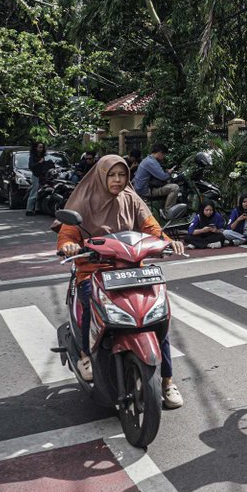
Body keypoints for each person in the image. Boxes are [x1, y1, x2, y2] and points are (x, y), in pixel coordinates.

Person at [56, 154, 186, 408]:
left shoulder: (131, 199)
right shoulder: (84, 200)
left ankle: (167, 381)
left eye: (122, 175)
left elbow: (152, 228)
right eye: (112, 175)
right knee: (88, 302)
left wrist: (168, 242)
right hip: (94, 269)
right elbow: (67, 234)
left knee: (157, 318)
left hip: (131, 269)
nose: (117, 180)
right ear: (101, 175)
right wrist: (69, 246)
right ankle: (85, 353)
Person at [133, 143, 181, 209]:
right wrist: (169, 172)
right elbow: (163, 177)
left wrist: (166, 171)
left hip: (140, 188)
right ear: (160, 153)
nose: (164, 157)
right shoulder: (151, 162)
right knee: (175, 188)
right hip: (145, 190)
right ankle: (168, 212)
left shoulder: (147, 159)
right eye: (164, 154)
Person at [27, 141, 49, 216]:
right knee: (34, 192)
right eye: (39, 147)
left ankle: (37, 208)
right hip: (35, 175)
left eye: (42, 147)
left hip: (42, 176)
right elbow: (31, 166)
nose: (41, 149)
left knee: (40, 192)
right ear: (36, 148)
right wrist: (39, 162)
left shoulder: (42, 156)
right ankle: (29, 210)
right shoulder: (32, 156)